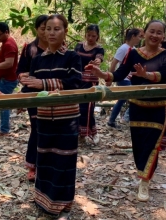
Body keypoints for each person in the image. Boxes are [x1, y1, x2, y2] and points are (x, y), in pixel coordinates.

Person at [89, 20, 166, 202]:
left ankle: (145, 181)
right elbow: (120, 74)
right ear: (145, 33)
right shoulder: (133, 53)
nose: (155, 35)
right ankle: (142, 172)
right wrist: (105, 75)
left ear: (164, 36)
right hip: (137, 106)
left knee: (152, 145)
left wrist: (147, 76)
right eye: (152, 31)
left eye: (159, 33)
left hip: (158, 107)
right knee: (139, 144)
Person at [20, 14, 82, 220]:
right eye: (48, 28)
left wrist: (44, 84)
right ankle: (44, 201)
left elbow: (75, 83)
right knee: (45, 158)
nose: (51, 32)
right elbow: (30, 86)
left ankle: (64, 204)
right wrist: (15, 99)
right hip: (44, 118)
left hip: (68, 120)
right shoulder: (37, 59)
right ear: (43, 31)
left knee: (64, 161)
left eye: (57, 29)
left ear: (65, 31)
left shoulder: (73, 57)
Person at [15, 14, 49, 181]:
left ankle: (47, 164)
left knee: (51, 128)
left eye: (50, 29)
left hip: (52, 95)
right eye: (43, 29)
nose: (47, 32)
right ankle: (32, 165)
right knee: (37, 128)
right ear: (37, 29)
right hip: (32, 94)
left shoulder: (59, 47)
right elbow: (20, 71)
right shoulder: (30, 48)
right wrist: (26, 78)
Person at [74, 24, 105, 144]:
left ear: (97, 36)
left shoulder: (99, 49)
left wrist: (97, 61)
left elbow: (99, 59)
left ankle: (90, 133)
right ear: (85, 34)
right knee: (78, 107)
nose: (91, 38)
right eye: (89, 35)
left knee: (88, 108)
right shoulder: (79, 46)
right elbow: (73, 58)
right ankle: (81, 134)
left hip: (91, 81)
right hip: (78, 79)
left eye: (93, 36)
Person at [107, 28, 143, 128]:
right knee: (134, 97)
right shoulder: (124, 48)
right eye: (139, 36)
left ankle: (113, 120)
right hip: (123, 78)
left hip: (129, 78)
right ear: (133, 36)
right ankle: (124, 118)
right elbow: (114, 63)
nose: (140, 39)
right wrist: (109, 78)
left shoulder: (133, 49)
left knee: (123, 99)